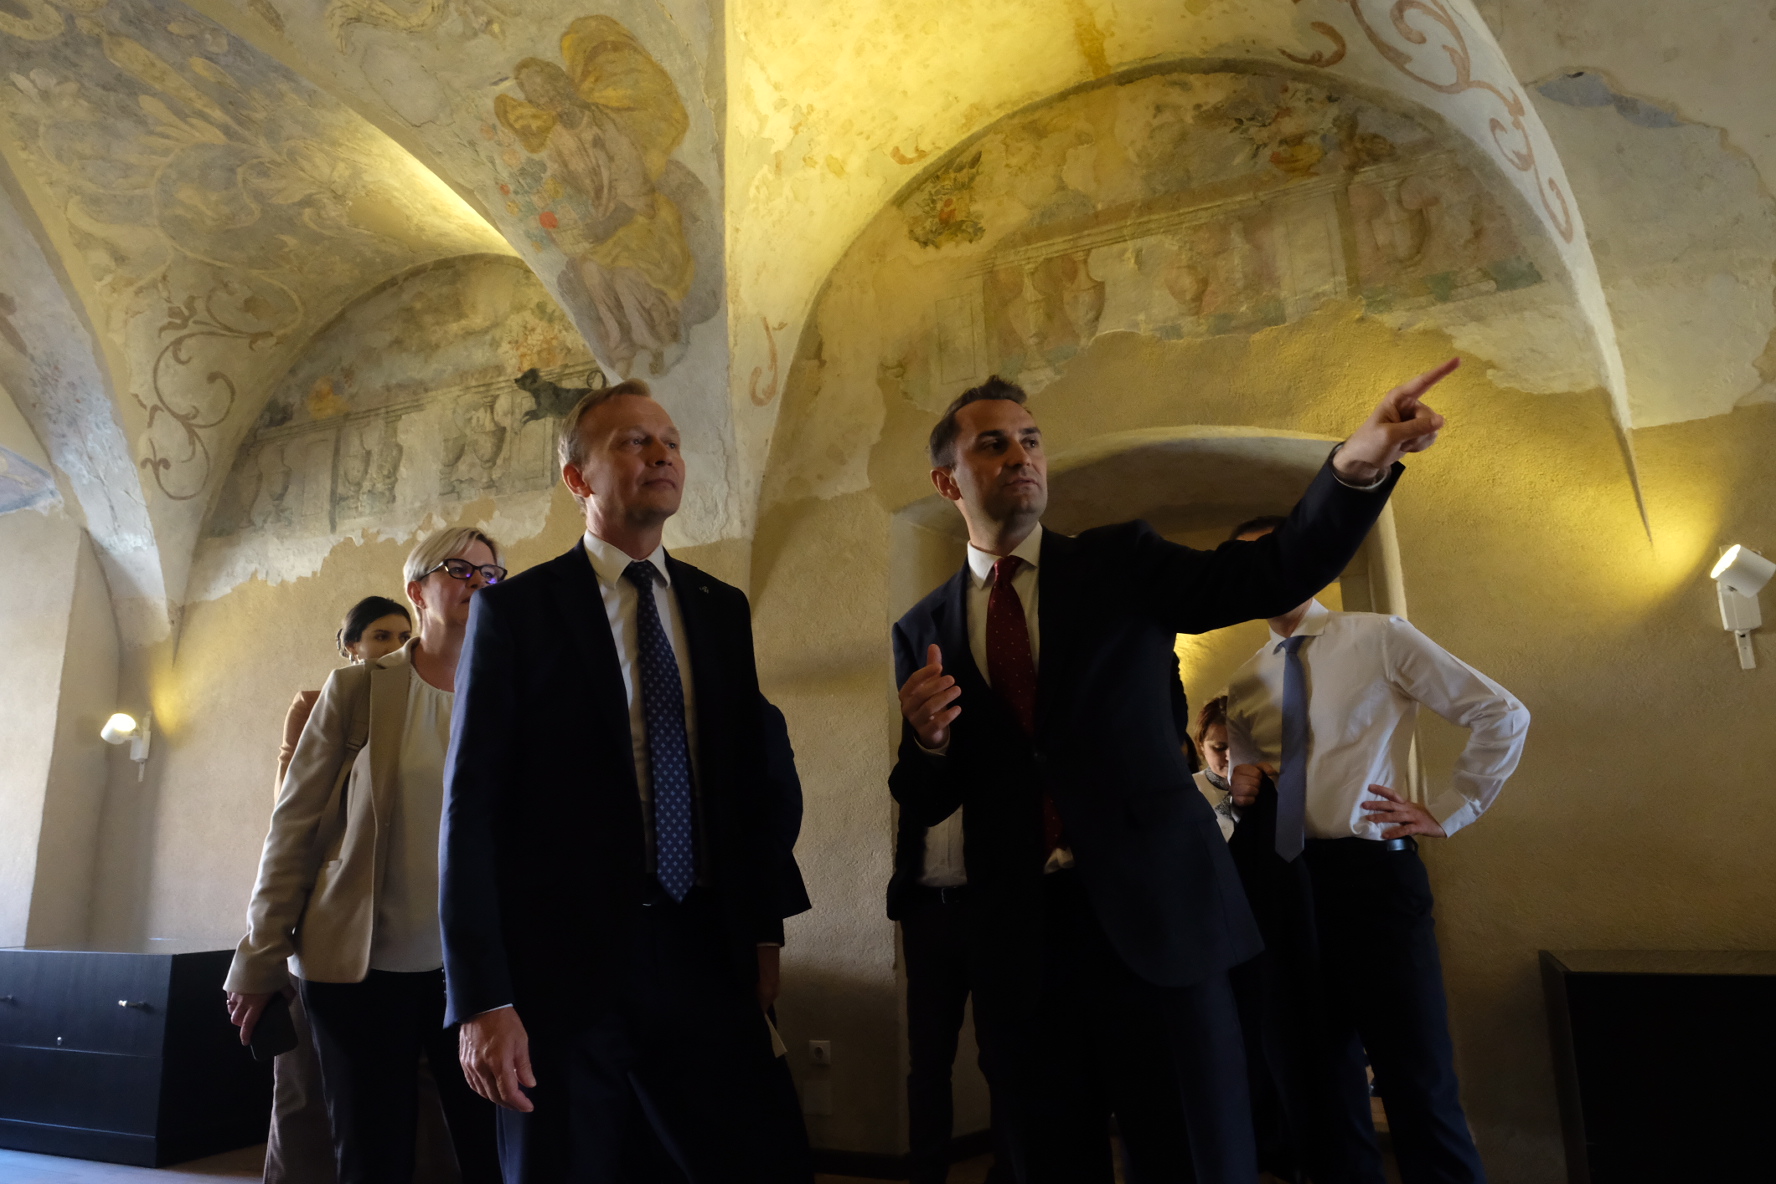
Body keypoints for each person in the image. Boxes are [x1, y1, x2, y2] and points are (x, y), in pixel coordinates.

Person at [889, 359, 1457, 1184]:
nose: (1021, 456)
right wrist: (929, 744)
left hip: (1159, 925)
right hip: (1022, 947)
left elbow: (1268, 571)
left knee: (1192, 1157)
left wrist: (1357, 465)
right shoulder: (922, 627)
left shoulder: (1121, 562)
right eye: (993, 445)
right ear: (948, 480)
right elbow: (928, 794)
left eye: (1031, 440)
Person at [440, 378, 814, 1183]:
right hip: (566, 970)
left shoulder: (719, 608)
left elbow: (747, 788)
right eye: (633, 441)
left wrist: (764, 929)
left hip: (705, 951)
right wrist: (483, 999)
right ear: (578, 478)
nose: (661, 454)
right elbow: (471, 812)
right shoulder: (518, 613)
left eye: (670, 441)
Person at [1223, 516, 1530, 1184]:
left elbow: (1501, 713)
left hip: (1373, 880)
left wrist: (1449, 808)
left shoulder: (1380, 637)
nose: (1264, 574)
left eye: (1275, 556)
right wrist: (1239, 785)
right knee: (1316, 1089)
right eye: (1246, 565)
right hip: (1286, 889)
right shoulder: (1243, 684)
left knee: (1417, 1078)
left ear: (1307, 560)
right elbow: (1250, 787)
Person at [225, 528, 507, 1184]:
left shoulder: (510, 688)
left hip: (473, 975)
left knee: (491, 1153)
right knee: (372, 1155)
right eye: (458, 569)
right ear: (418, 590)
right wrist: (260, 953)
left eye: (491, 574)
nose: (477, 583)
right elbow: (294, 827)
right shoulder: (356, 690)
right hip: (360, 972)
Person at [264, 595, 412, 1184]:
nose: (395, 646)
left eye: (403, 635)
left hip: (405, 922)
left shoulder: (428, 697)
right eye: (381, 636)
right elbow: (292, 815)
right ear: (351, 646)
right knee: (306, 1083)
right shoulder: (320, 701)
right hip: (329, 913)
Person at [1192, 695, 1236, 841]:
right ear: (1201, 746)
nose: (1230, 756)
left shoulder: (1271, 783)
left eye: (1239, 746)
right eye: (1219, 748)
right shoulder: (1191, 790)